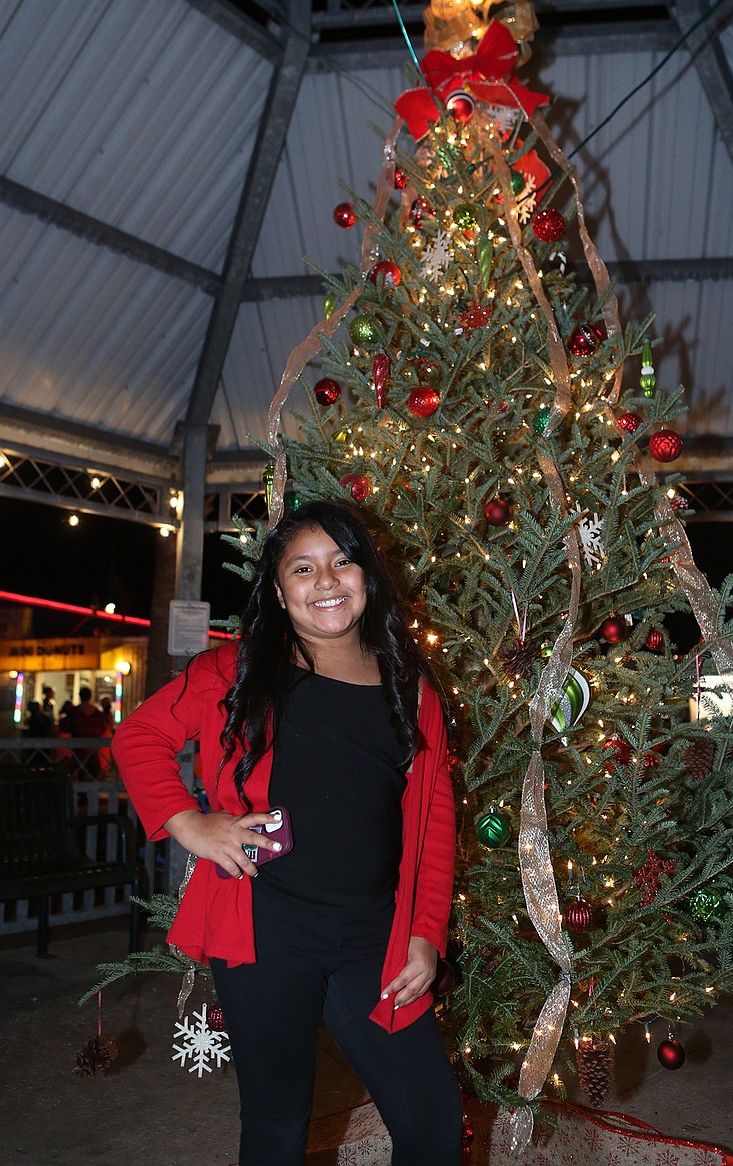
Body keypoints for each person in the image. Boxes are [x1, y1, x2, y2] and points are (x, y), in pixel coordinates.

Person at [112, 499, 462, 1166]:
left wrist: (425, 933)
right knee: (277, 1125)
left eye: (342, 561)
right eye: (303, 568)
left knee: (433, 1118)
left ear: (368, 575)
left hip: (374, 938)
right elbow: (140, 736)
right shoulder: (236, 671)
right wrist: (191, 823)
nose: (326, 581)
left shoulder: (411, 688)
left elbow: (434, 816)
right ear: (278, 590)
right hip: (266, 929)